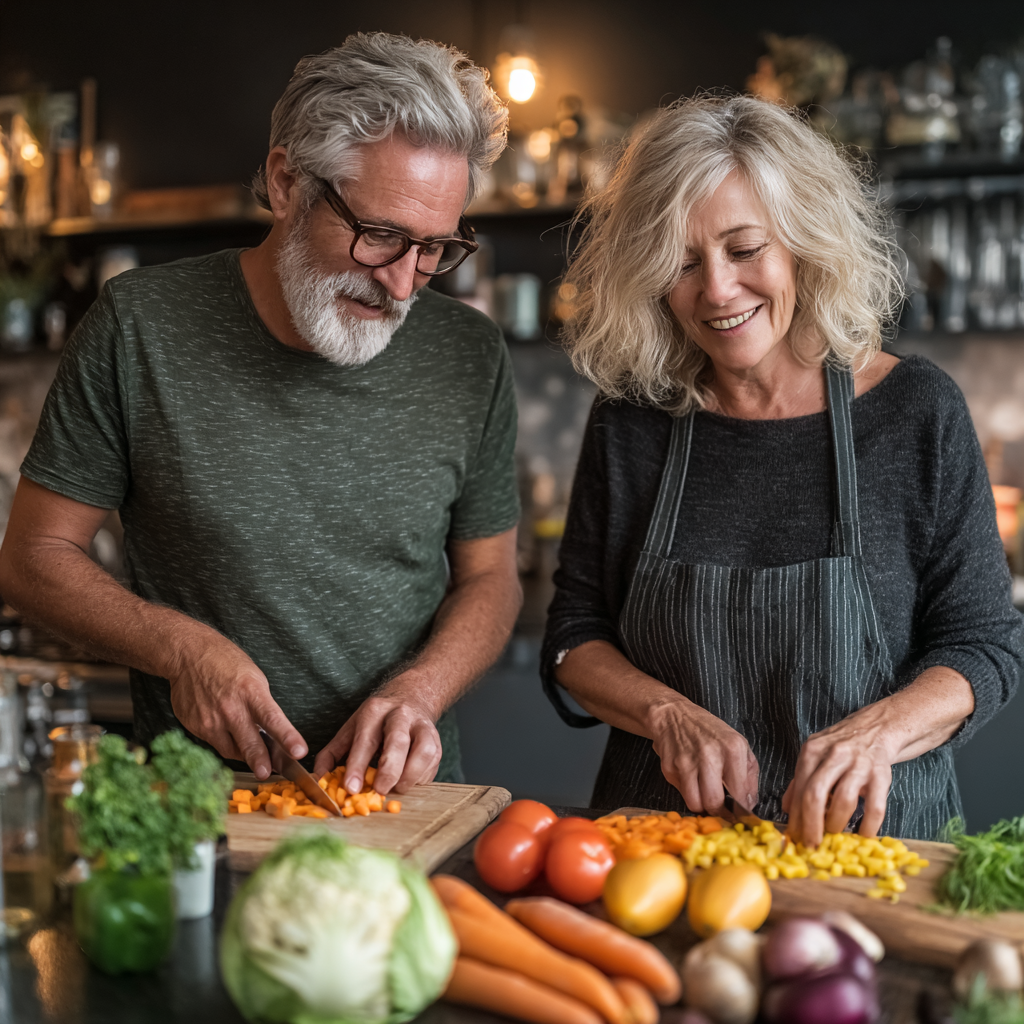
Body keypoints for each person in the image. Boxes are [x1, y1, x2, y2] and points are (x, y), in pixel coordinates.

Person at [0, 33, 523, 798]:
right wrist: (179, 648)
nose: (407, 286)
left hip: (402, 804)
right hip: (201, 809)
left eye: (435, 247)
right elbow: (33, 556)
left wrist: (423, 691)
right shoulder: (139, 326)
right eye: (380, 236)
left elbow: (493, 579)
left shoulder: (469, 353)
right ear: (286, 183)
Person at [542, 95, 1024, 843]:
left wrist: (879, 732)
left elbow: (986, 643)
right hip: (666, 853)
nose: (717, 290)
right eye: (682, 261)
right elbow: (575, 637)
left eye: (744, 249)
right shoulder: (631, 421)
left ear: (801, 241)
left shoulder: (916, 411)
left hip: (876, 848)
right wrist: (664, 713)